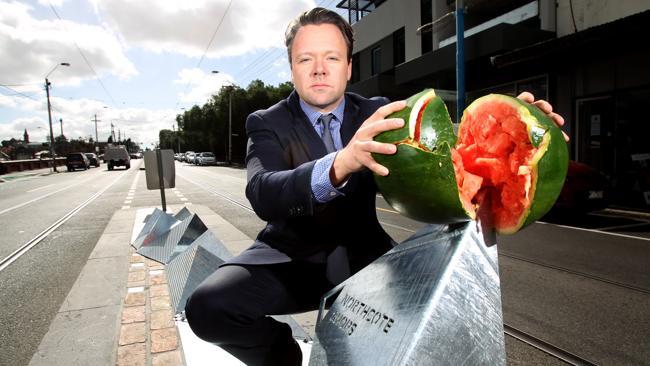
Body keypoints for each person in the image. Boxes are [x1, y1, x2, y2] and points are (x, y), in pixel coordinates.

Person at [184, 7, 566, 366]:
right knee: (206, 308)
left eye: (331, 58)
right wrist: (340, 162)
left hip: (368, 260)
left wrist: (522, 133)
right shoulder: (266, 121)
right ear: (292, 69)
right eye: (306, 59)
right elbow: (264, 192)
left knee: (442, 326)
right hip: (290, 260)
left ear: (348, 67)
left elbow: (452, 149)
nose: (319, 69)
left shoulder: (380, 112)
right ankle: (284, 357)